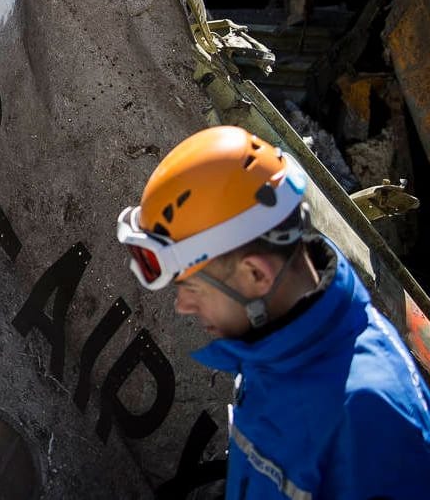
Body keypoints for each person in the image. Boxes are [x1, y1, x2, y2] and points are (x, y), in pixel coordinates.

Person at [116, 125, 430, 500]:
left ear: (255, 274)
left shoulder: (368, 422)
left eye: (192, 287)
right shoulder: (281, 339)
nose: (182, 305)